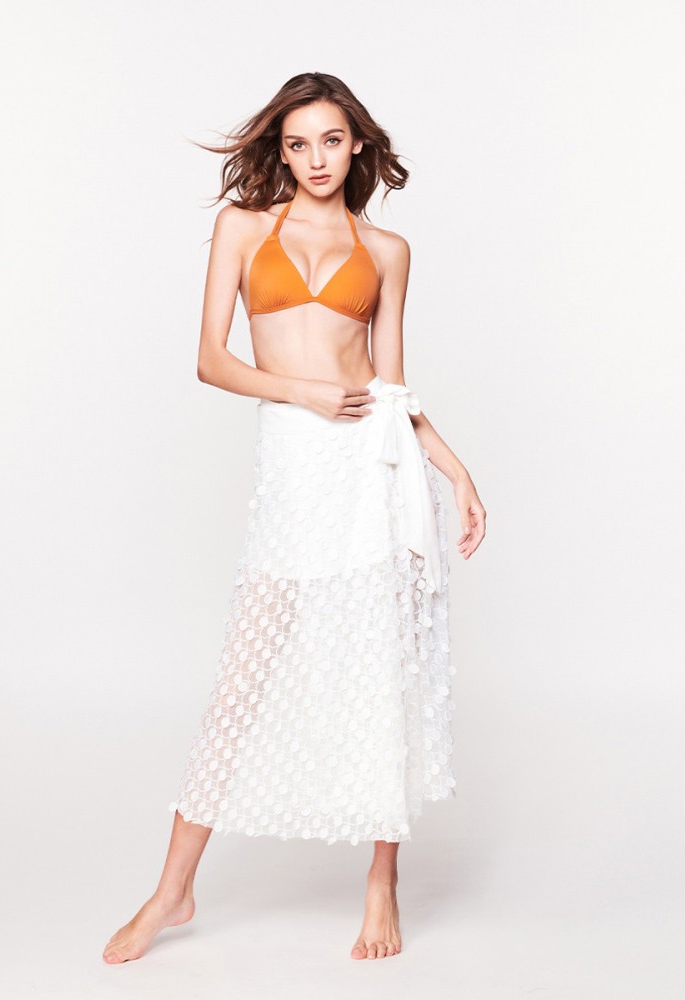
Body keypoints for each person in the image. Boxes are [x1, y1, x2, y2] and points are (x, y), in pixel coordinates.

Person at [103, 71, 486, 964]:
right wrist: (302, 393)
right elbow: (211, 359)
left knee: (383, 670)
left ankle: (382, 880)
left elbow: (391, 387)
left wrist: (457, 470)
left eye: (331, 140)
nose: (316, 159)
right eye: (298, 143)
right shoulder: (244, 228)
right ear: (280, 150)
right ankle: (173, 889)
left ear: (358, 146)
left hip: (371, 467)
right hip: (296, 459)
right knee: (245, 675)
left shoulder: (386, 249)